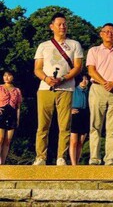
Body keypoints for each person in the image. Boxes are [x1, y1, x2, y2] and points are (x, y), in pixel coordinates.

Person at [33, 12, 83, 166]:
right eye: (59, 24)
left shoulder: (74, 44)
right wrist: (47, 79)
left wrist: (62, 79)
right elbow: (37, 68)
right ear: (51, 26)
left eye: (65, 24)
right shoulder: (43, 46)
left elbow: (78, 67)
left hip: (66, 88)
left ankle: (61, 157)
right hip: (45, 88)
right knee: (43, 125)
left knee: (65, 125)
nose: (62, 27)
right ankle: (40, 157)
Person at [87, 23, 113, 166]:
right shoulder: (94, 51)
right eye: (106, 31)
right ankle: (94, 157)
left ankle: (110, 158)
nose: (109, 34)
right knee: (95, 125)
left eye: (112, 32)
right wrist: (105, 82)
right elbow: (91, 70)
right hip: (98, 88)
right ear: (101, 34)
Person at [0, 71, 22, 164]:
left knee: (8, 140)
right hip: (1, 113)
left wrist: (17, 119)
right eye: (5, 75)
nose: (6, 77)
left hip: (12, 114)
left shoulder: (17, 90)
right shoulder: (0, 88)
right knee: (0, 138)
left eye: (9, 75)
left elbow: (18, 107)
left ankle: (3, 162)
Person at [69, 74, 90, 165]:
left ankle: (77, 162)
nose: (84, 81)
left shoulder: (88, 91)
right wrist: (69, 110)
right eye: (82, 79)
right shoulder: (74, 89)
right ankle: (73, 163)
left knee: (81, 141)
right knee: (74, 141)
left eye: (86, 79)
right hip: (75, 114)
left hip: (85, 113)